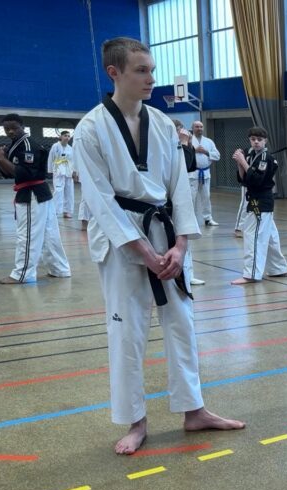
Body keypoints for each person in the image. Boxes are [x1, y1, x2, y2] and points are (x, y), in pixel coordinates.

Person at [72, 37, 244, 454]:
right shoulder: (90, 129)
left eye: (151, 69)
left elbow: (179, 189)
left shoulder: (164, 124)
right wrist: (142, 252)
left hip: (166, 232)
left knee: (182, 322)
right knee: (127, 329)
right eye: (142, 70)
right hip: (122, 242)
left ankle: (194, 409)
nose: (152, 78)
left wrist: (181, 244)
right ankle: (135, 421)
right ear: (114, 73)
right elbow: (99, 200)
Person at [0, 113, 72, 284]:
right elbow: (8, 172)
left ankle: (22, 274)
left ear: (22, 126)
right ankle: (60, 269)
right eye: (7, 129)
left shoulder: (28, 145)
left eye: (14, 128)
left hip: (33, 194)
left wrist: (0, 158)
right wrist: (1, 160)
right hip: (38, 193)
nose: (10, 132)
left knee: (27, 234)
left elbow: (25, 173)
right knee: (49, 233)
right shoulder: (16, 145)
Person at [231, 127, 287, 285]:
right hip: (257, 200)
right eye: (253, 139)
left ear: (265, 141)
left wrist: (243, 161)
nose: (256, 142)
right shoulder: (251, 155)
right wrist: (240, 162)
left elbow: (257, 180)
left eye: (259, 139)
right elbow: (243, 180)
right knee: (270, 237)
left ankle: (250, 274)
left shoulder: (266, 157)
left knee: (253, 237)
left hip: (261, 201)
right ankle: (278, 268)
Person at [173, 119, 206, 286]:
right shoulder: (168, 146)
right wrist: (184, 144)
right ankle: (181, 273)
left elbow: (191, 165)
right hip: (171, 201)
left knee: (184, 238)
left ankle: (188, 273)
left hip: (182, 196)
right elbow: (183, 165)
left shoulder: (182, 146)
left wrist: (189, 146)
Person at [190, 120, 221, 226]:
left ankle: (208, 219)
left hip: (205, 173)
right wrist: (194, 151)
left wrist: (206, 152)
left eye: (201, 127)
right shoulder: (188, 141)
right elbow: (182, 154)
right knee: (191, 197)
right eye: (197, 126)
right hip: (192, 174)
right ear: (192, 128)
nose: (199, 129)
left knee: (206, 196)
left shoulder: (209, 142)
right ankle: (191, 219)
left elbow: (217, 156)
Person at [48, 130, 76, 218]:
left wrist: (74, 172)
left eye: (68, 136)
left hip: (68, 171)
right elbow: (51, 158)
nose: (67, 138)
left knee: (69, 192)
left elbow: (73, 161)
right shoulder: (55, 146)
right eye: (65, 136)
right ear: (61, 137)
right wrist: (50, 170)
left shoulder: (70, 149)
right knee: (58, 191)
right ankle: (56, 211)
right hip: (58, 171)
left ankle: (67, 211)